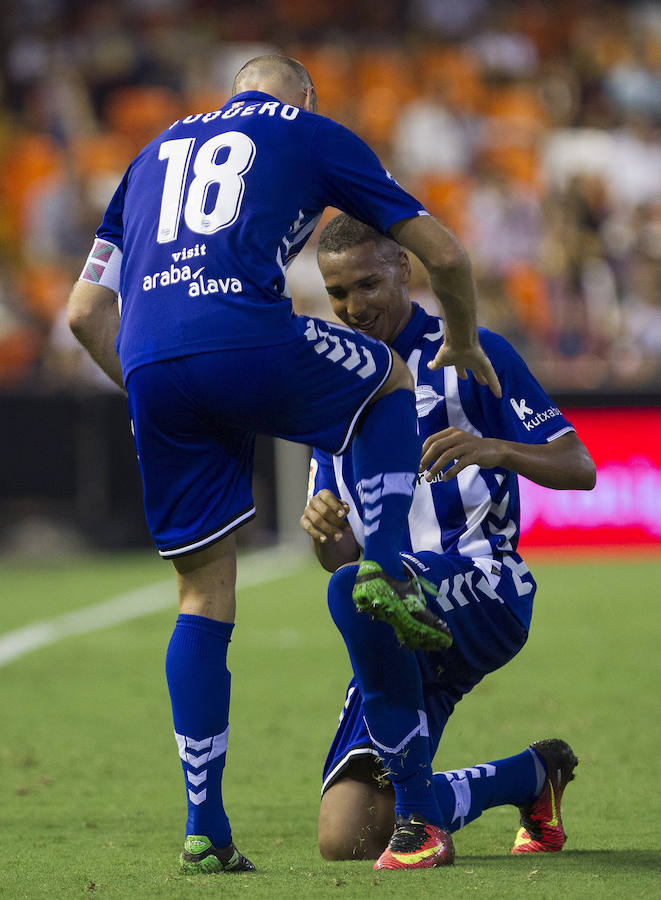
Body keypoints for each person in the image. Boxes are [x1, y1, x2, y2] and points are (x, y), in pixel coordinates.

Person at [66, 55, 502, 874]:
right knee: (387, 380)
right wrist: (466, 340)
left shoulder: (148, 153)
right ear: (304, 95)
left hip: (151, 365)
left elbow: (84, 311)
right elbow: (442, 255)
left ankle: (205, 830)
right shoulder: (309, 132)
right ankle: (381, 568)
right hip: (246, 336)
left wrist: (160, 398)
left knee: (201, 595)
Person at [301, 213, 596, 870]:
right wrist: (328, 529)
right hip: (392, 615)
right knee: (345, 837)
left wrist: (493, 448)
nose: (353, 307)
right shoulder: (330, 389)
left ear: (403, 270)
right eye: (338, 293)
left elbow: (579, 467)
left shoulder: (470, 352)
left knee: (360, 588)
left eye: (366, 285)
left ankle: (421, 831)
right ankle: (527, 777)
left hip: (484, 585)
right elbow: (338, 558)